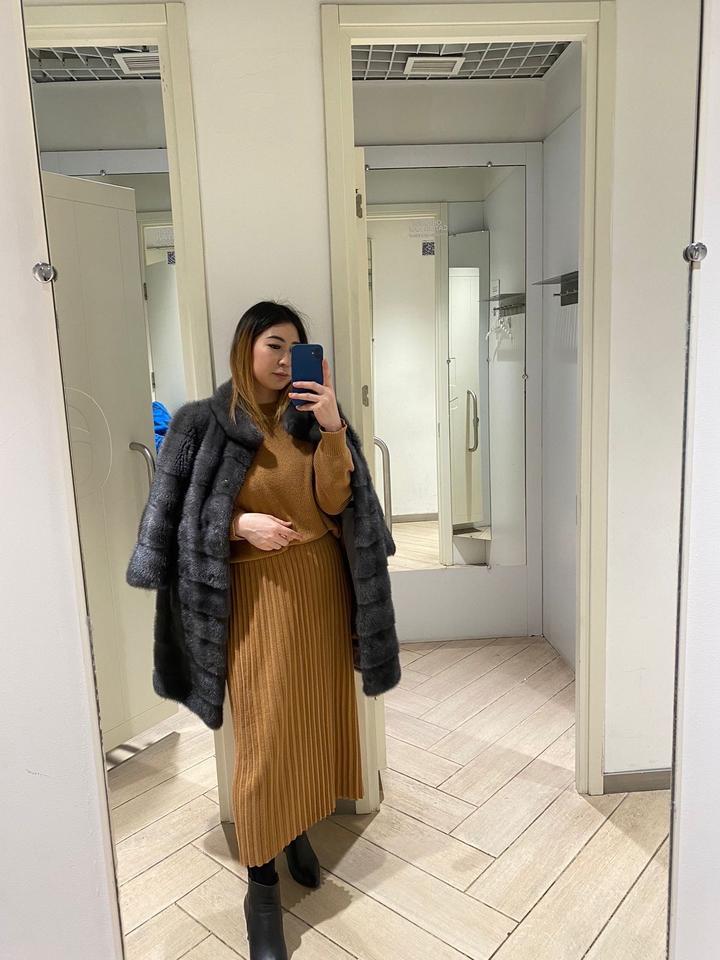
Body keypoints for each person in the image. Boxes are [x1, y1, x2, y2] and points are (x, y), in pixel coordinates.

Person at [126, 300, 401, 960]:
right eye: (272, 345)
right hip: (252, 597)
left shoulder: (315, 420)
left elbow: (338, 503)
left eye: (294, 348)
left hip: (319, 591)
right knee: (265, 737)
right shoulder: (201, 423)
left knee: (310, 722)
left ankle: (296, 829)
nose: (283, 360)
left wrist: (332, 429)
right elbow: (168, 523)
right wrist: (236, 524)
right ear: (245, 347)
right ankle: (262, 890)